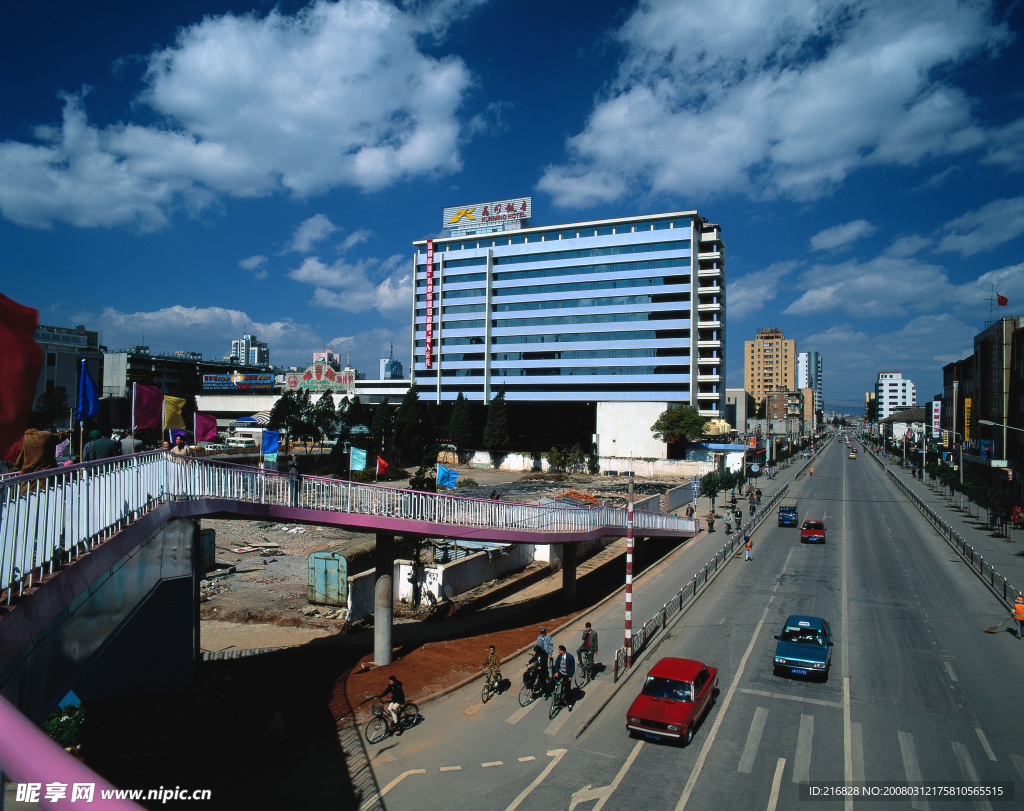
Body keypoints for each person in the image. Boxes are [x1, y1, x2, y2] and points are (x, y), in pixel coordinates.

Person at [551, 645, 575, 710]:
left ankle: (569, 704)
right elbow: (556, 665)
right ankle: (556, 690)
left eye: (559, 650)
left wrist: (570, 676)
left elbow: (572, 668)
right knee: (554, 679)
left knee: (567, 689)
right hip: (561, 673)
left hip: (566, 675)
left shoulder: (570, 657)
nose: (558, 651)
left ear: (562, 651)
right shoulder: (559, 657)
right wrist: (556, 672)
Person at [534, 627, 554, 693]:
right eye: (541, 633)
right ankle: (536, 681)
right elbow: (536, 645)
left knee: (549, 666)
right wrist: (535, 651)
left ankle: (550, 678)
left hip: (546, 654)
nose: (542, 634)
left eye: (543, 633)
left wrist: (550, 654)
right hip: (540, 654)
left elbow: (551, 646)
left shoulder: (548, 638)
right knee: (536, 666)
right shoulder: (539, 638)